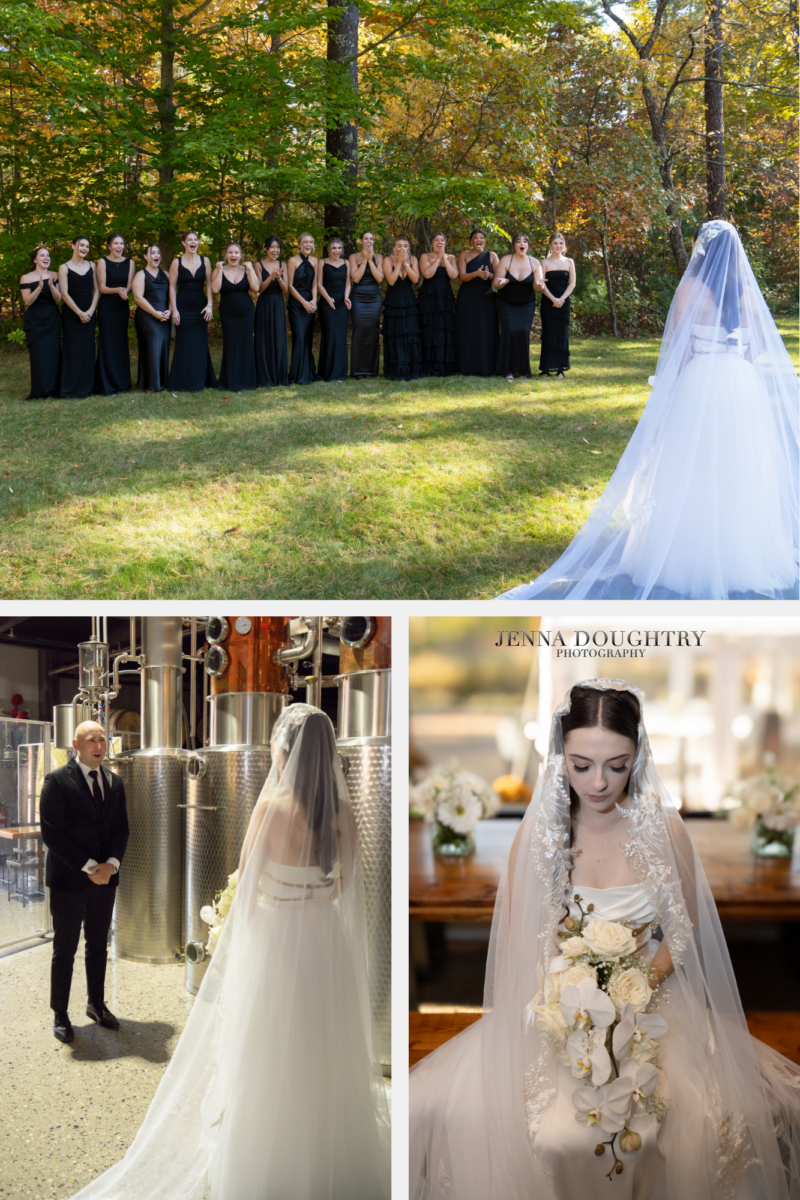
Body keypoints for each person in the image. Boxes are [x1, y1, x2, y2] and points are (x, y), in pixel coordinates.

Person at [410, 678, 800, 1200]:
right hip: (560, 1004)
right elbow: (523, 933)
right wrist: (567, 993)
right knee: (549, 1133)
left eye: (616, 765)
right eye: (581, 764)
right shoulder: (542, 833)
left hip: (650, 1002)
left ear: (637, 758)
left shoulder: (664, 832)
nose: (598, 783)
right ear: (560, 756)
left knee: (678, 1128)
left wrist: (637, 984)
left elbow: (681, 929)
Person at [62, 704, 390, 1200]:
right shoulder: (341, 811)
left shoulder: (271, 808)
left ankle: (263, 1157)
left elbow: (246, 877)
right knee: (323, 1040)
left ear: (285, 751)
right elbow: (344, 884)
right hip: (324, 938)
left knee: (268, 1044)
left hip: (278, 936)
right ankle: (326, 1154)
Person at [498, 220, 799, 599]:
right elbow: (756, 351)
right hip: (741, 385)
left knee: (693, 464)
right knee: (737, 465)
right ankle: (740, 553)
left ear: (702, 250)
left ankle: (687, 552)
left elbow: (681, 350)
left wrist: (670, 395)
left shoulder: (690, 288)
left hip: (701, 380)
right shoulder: (745, 294)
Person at [39, 721, 129, 1046]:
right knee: (65, 949)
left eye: (102, 739)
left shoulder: (114, 782)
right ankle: (60, 1013)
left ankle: (96, 1004)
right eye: (91, 739)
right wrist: (93, 867)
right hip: (69, 880)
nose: (99, 745)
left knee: (97, 945)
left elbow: (122, 830)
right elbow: (53, 835)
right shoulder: (56, 781)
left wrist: (111, 866)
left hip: (105, 882)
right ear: (76, 746)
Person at [167, 230, 217, 392]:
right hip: (183, 307)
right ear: (184, 243)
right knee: (184, 343)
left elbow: (209, 285)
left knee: (200, 342)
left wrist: (210, 305)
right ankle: (182, 380)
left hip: (200, 307)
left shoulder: (206, 261)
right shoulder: (177, 263)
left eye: (195, 240)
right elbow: (171, 287)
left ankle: (201, 379)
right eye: (190, 240)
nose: (193, 242)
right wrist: (174, 310)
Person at [493, 233, 542, 381]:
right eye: (518, 241)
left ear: (527, 245)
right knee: (509, 330)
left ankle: (522, 371)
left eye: (524, 241)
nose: (522, 244)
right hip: (506, 302)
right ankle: (506, 370)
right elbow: (495, 284)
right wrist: (500, 283)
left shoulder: (535, 263)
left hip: (526, 303)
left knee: (523, 332)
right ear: (514, 245)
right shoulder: (506, 260)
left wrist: (539, 285)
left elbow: (537, 287)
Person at [211, 243, 259, 392]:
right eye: (230, 252)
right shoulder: (219, 270)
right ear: (226, 255)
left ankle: (247, 380)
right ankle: (230, 380)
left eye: (236, 253)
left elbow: (256, 287)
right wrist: (219, 270)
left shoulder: (246, 270)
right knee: (230, 344)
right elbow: (215, 289)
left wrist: (250, 268)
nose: (233, 255)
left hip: (246, 313)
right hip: (228, 314)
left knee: (246, 343)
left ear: (241, 255)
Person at [58, 236, 99, 398]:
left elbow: (96, 290)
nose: (84, 248)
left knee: (88, 349)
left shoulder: (92, 265)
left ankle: (88, 386)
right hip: (71, 314)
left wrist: (90, 310)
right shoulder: (64, 267)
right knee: (73, 349)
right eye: (81, 245)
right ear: (73, 246)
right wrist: (79, 313)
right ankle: (71, 386)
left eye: (87, 246)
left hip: (89, 312)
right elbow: (64, 294)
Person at [455, 229, 499, 376]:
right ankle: (466, 366)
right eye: (475, 238)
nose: (478, 240)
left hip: (487, 297)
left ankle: (487, 366)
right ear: (471, 241)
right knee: (468, 330)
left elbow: (499, 278)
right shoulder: (464, 255)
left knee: (485, 330)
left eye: (481, 238)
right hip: (468, 298)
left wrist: (489, 274)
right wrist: (475, 274)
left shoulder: (492, 256)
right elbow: (461, 277)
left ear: (485, 241)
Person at [20, 245, 61, 399]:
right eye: (42, 255)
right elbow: (27, 302)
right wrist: (38, 288)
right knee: (38, 356)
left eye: (48, 255)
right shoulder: (27, 277)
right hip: (35, 321)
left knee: (53, 355)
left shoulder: (55, 275)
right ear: (35, 260)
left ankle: (54, 389)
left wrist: (51, 286)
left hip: (52, 318)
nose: (46, 258)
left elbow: (58, 299)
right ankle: (39, 391)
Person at [95, 233, 134, 394]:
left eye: (121, 243)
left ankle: (122, 382)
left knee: (120, 343)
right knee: (107, 343)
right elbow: (102, 287)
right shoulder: (102, 262)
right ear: (109, 246)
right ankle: (106, 383)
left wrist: (125, 291)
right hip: (107, 307)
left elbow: (130, 285)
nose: (119, 246)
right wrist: (116, 290)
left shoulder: (130, 263)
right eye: (115, 243)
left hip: (122, 307)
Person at [382, 236, 425, 381]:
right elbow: (391, 281)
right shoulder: (388, 260)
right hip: (393, 300)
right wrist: (399, 263)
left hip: (408, 300)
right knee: (395, 334)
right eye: (399, 246)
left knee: (410, 333)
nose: (402, 248)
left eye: (405, 246)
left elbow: (415, 279)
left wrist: (405, 263)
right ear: (394, 248)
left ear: (409, 248)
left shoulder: (413, 260)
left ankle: (412, 369)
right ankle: (396, 368)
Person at [417, 231, 458, 377]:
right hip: (429, 297)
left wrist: (444, 259)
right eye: (436, 240)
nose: (439, 242)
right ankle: (429, 365)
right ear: (431, 243)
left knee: (444, 329)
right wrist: (437, 258)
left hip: (445, 297)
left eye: (442, 240)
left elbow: (454, 275)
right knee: (430, 329)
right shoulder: (425, 256)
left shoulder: (452, 258)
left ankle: (444, 365)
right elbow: (427, 274)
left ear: (445, 243)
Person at [132, 246, 171, 392]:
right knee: (152, 346)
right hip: (147, 316)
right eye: (152, 253)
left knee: (163, 346)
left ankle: (161, 381)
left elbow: (172, 294)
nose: (156, 255)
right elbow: (137, 298)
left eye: (158, 253)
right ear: (146, 257)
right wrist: (155, 313)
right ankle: (151, 385)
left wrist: (170, 311)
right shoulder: (140, 275)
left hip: (164, 316)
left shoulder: (166, 274)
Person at [539, 231, 575, 378]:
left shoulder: (569, 262)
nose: (558, 246)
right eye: (555, 243)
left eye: (561, 243)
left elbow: (572, 283)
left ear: (564, 245)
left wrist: (562, 299)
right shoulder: (544, 262)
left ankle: (561, 369)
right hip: (548, 302)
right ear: (550, 245)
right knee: (548, 333)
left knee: (561, 334)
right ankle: (546, 369)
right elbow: (541, 284)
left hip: (563, 303)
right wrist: (553, 299)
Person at [254, 235, 289, 388]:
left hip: (278, 303)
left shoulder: (283, 264)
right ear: (265, 249)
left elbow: (286, 290)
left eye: (277, 247)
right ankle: (264, 375)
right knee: (264, 338)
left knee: (279, 337)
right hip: (264, 303)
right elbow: (258, 289)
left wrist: (279, 279)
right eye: (272, 247)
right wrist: (271, 277)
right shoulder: (258, 265)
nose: (275, 250)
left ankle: (280, 375)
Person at [348, 231, 383, 378]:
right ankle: (358, 370)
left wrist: (370, 260)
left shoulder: (379, 257)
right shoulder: (353, 257)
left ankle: (371, 370)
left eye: (371, 239)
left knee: (372, 331)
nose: (368, 241)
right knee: (359, 331)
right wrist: (364, 260)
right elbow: (355, 278)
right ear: (360, 241)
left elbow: (380, 278)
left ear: (373, 242)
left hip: (374, 298)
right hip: (358, 298)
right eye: (366, 239)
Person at [287, 232, 320, 385]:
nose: (308, 245)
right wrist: (303, 302)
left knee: (307, 338)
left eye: (310, 242)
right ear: (299, 244)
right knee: (299, 337)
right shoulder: (292, 260)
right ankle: (296, 374)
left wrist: (313, 300)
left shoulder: (315, 261)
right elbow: (290, 286)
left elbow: (314, 283)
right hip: (296, 304)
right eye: (305, 242)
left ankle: (308, 373)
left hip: (310, 305)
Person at [316, 237, 351, 382]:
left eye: (339, 248)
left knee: (341, 336)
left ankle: (340, 373)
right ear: (329, 250)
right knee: (330, 336)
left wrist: (346, 297)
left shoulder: (347, 263)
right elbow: (319, 284)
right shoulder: (322, 262)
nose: (337, 251)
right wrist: (328, 298)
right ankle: (327, 373)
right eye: (334, 248)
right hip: (327, 304)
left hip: (342, 304)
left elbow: (348, 283)